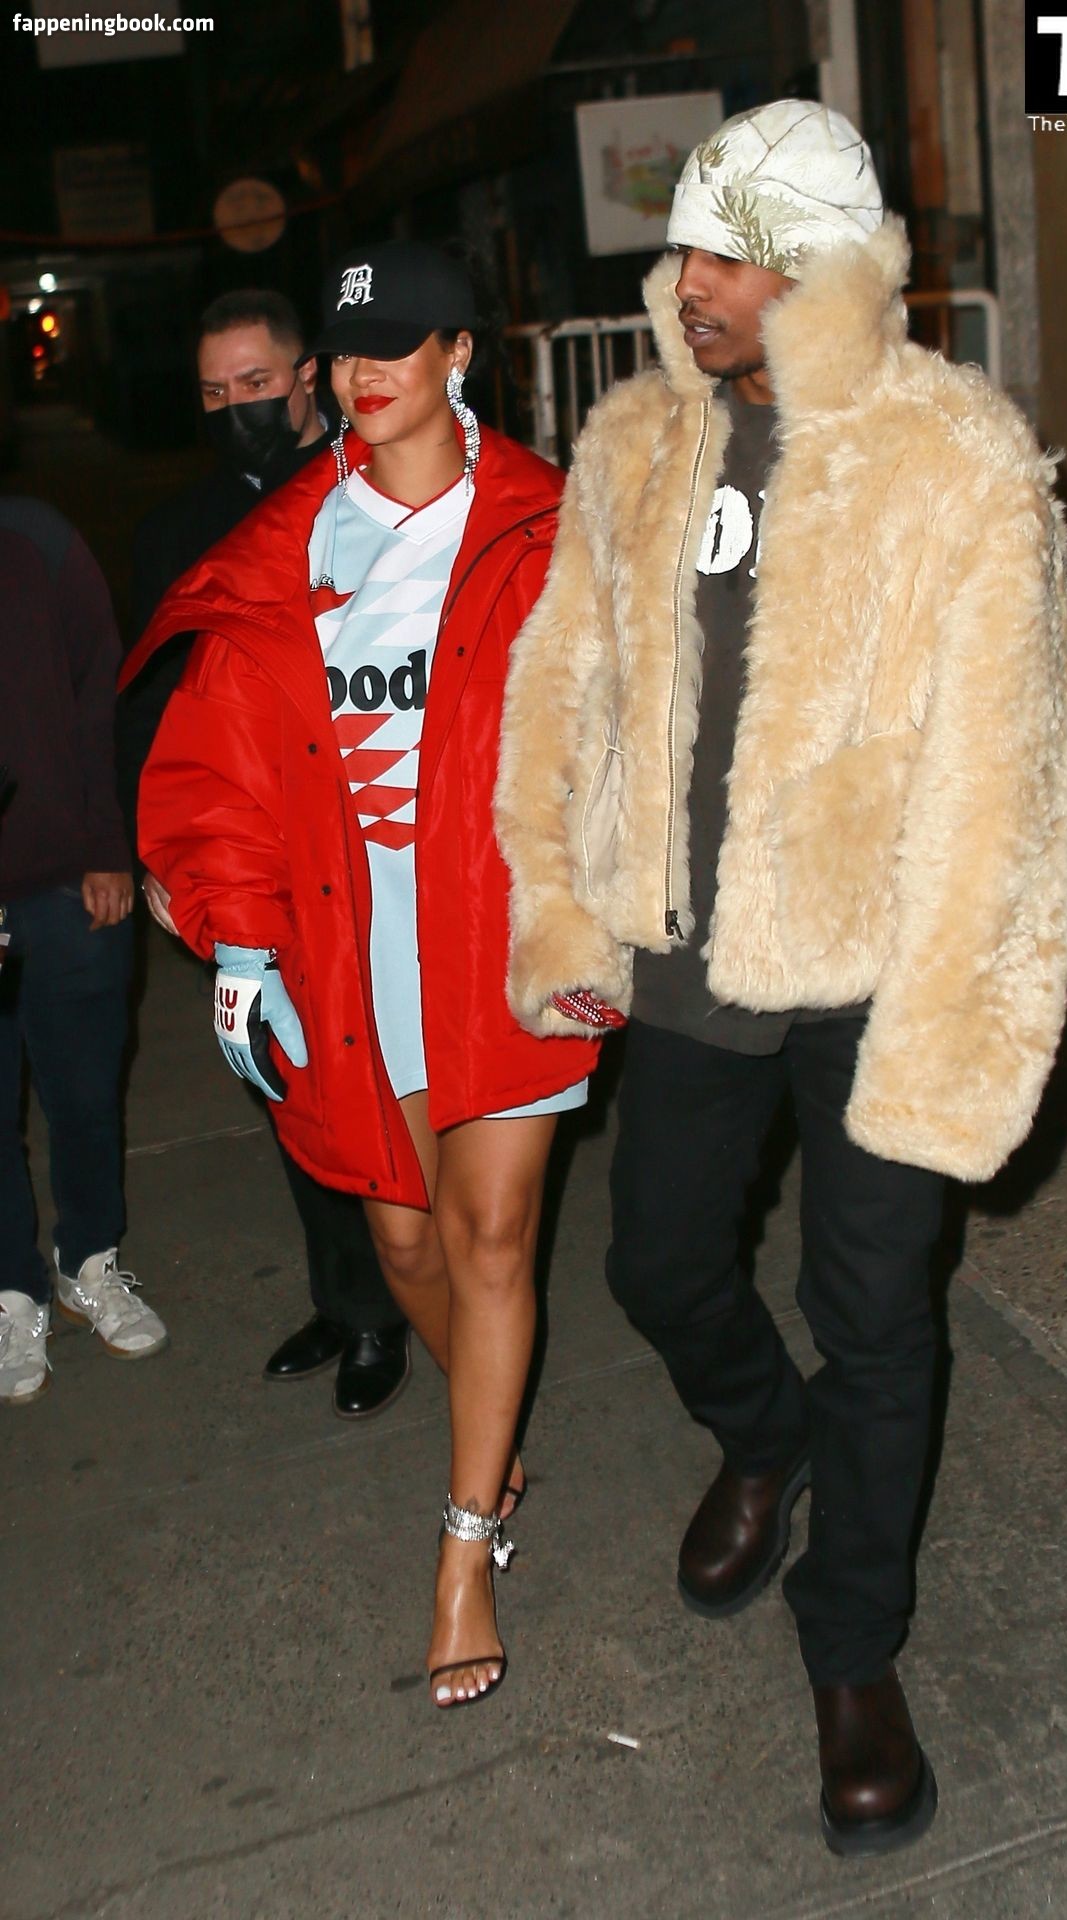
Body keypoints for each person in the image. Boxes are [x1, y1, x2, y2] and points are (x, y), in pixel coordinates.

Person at [496, 100, 1067, 1852]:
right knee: (658, 1259)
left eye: (729, 256)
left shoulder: (956, 458)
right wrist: (563, 907)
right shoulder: (637, 445)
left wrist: (956, 1030)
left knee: (878, 1315)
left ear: (822, 267)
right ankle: (766, 1436)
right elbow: (566, 685)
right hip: (693, 953)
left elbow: (1013, 780)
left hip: (881, 970)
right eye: (684, 251)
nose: (690, 285)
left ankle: (853, 1651)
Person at [127, 241, 599, 1705]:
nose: (361, 373)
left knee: (492, 1233)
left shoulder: (550, 526)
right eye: (344, 352)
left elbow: (630, 736)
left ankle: (463, 1549)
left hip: (502, 931)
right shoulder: (287, 546)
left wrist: (610, 912)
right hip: (353, 939)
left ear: (462, 354)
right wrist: (239, 937)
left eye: (397, 343)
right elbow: (220, 765)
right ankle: (488, 1433)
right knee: (403, 1251)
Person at [117, 288, 411, 1421]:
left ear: (305, 377)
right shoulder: (177, 531)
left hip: (368, 849)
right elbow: (152, 709)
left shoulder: (374, 493)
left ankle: (402, 1298)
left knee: (387, 1080)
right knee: (284, 1084)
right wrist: (161, 854)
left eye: (253, 383)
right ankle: (347, 1299)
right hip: (248, 868)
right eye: (212, 392)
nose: (234, 406)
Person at [0, 498, 167, 1406]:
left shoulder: (42, 543)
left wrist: (108, 845)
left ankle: (89, 1262)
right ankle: (11, 1294)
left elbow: (102, 696)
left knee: (85, 1094)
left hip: (69, 880)